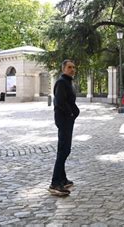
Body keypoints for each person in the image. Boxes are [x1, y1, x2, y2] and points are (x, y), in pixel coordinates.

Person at [49, 59, 80, 196]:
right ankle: (55, 183)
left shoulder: (67, 81)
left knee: (65, 149)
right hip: (64, 120)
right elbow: (59, 102)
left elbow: (69, 100)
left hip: (67, 120)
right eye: (69, 67)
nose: (72, 69)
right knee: (63, 150)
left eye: (73, 67)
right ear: (63, 69)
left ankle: (62, 178)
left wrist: (74, 112)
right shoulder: (61, 82)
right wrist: (71, 113)